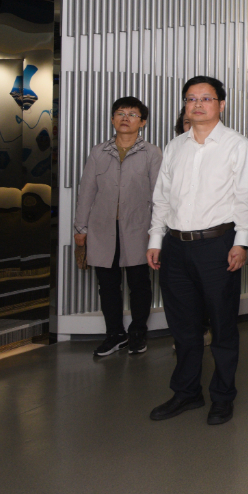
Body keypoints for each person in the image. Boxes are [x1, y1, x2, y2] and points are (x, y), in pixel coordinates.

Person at [146, 76, 248, 426]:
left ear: (221, 105)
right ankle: (187, 392)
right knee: (183, 326)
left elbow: (246, 197)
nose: (197, 104)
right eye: (191, 98)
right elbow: (162, 198)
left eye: (206, 98)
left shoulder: (237, 145)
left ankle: (223, 396)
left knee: (222, 326)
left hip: (218, 245)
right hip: (175, 247)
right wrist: (155, 240)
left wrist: (241, 241)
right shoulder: (174, 146)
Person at [74, 96, 162, 357]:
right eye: (120, 113)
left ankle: (137, 333)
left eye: (133, 114)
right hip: (102, 230)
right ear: (113, 119)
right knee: (108, 286)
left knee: (139, 284)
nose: (126, 118)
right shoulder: (98, 152)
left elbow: (159, 195)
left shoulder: (152, 153)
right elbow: (86, 192)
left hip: (138, 228)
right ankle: (114, 334)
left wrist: (157, 233)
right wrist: (80, 228)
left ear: (142, 122)